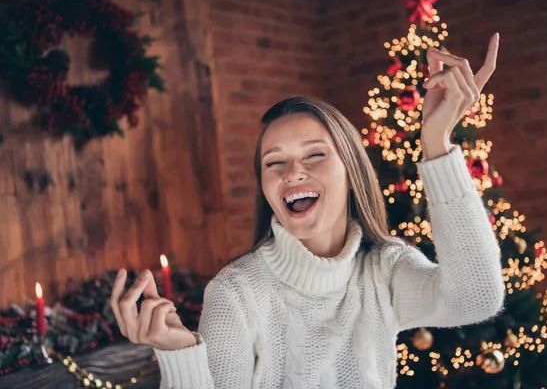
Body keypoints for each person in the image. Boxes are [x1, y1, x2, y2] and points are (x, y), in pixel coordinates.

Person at [111, 33, 504, 389]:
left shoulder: (383, 270)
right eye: (273, 162)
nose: (293, 172)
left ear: (352, 172)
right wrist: (181, 354)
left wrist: (436, 142)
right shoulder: (235, 292)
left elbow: (476, 297)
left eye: (315, 154)